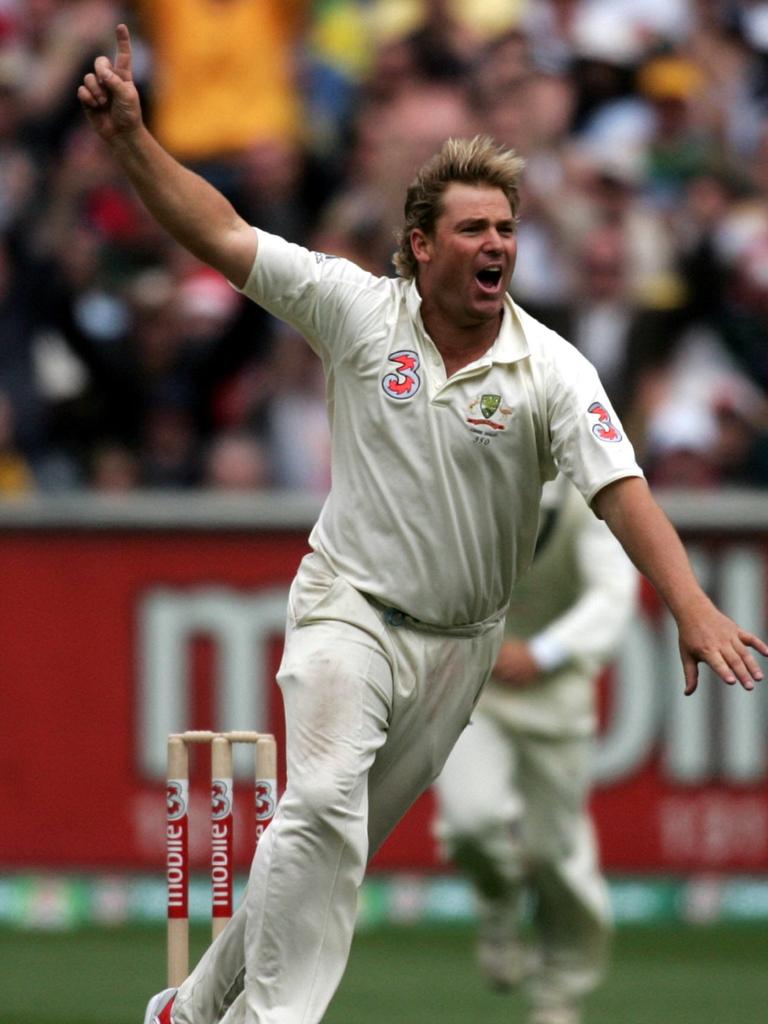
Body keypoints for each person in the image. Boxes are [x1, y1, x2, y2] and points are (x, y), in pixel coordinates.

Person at [77, 27, 767, 1024]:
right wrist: (134, 139)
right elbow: (223, 234)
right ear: (421, 245)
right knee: (318, 811)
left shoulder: (552, 369)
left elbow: (623, 489)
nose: (497, 246)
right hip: (348, 607)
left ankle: (185, 1007)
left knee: (319, 844)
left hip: (460, 648)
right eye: (474, 228)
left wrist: (690, 603)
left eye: (506, 229)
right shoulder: (360, 313)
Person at [434, 475, 638, 1024]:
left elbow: (613, 597)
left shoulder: (589, 497)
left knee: (557, 854)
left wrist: (544, 653)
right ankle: (499, 900)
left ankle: (557, 994)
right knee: (471, 822)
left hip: (557, 700)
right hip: (473, 687)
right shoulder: (466, 483)